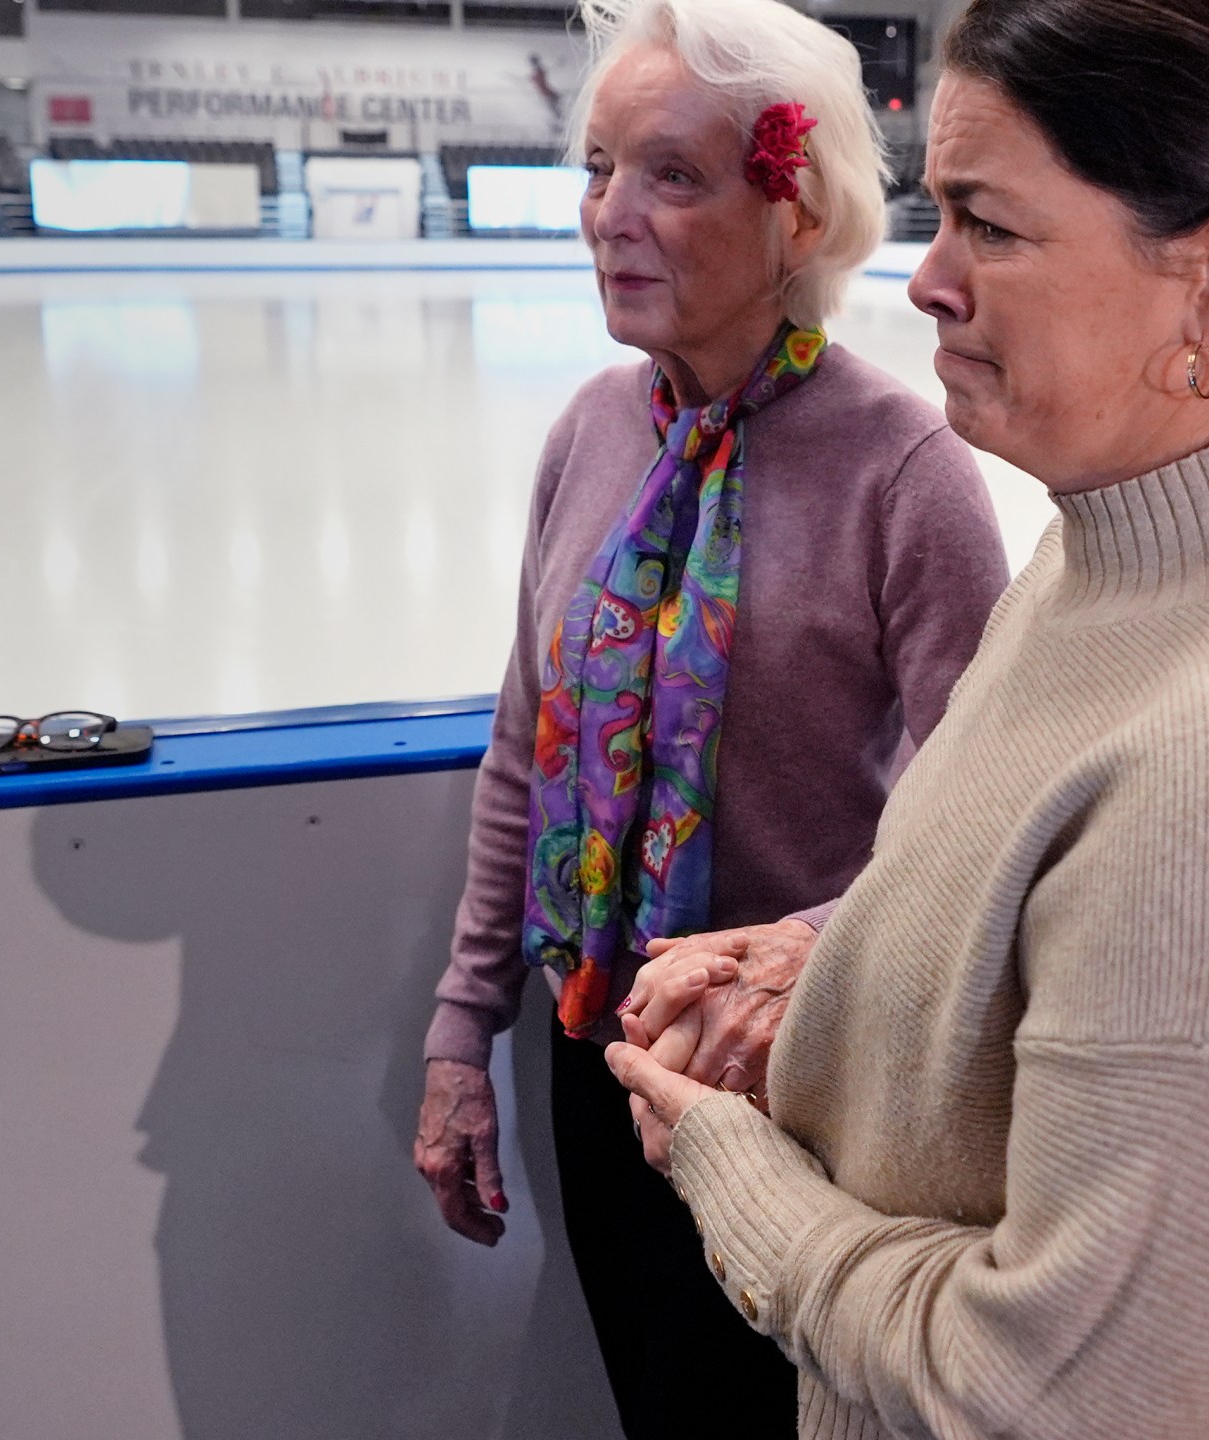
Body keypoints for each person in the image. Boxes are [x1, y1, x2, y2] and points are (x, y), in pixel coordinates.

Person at [608, 0, 1209, 1435]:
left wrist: (729, 1172)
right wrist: (825, 970)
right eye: (938, 215)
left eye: (988, 224)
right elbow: (1028, 942)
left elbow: (1052, 1397)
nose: (925, 278)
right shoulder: (1096, 557)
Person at [409, 0, 1011, 1432]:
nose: (611, 214)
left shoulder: (904, 471)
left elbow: (980, 812)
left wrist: (783, 963)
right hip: (594, 1042)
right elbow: (525, 753)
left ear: (793, 212)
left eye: (672, 176)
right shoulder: (589, 434)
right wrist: (457, 1036)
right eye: (601, 168)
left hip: (792, 1069)